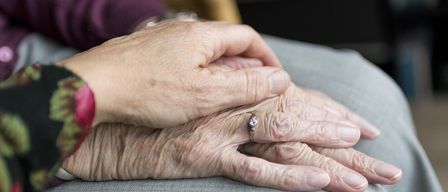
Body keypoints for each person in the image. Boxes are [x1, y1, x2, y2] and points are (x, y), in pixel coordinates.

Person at [0, 1, 442, 192]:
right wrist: (94, 143)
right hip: (18, 145)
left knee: (363, 93)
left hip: (37, 47)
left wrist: (158, 35)